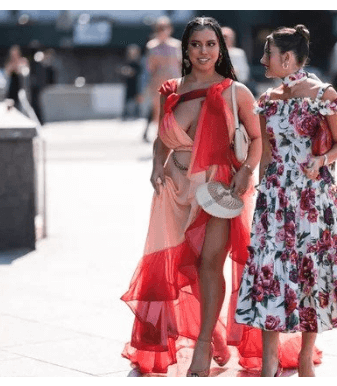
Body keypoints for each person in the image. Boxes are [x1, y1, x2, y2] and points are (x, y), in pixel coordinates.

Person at [121, 16, 263, 377]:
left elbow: (257, 138)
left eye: (210, 44)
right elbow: (160, 138)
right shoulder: (170, 89)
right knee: (184, 266)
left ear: (221, 48)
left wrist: (247, 171)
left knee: (209, 265)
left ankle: (201, 347)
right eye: (196, 44)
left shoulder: (236, 91)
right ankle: (213, 334)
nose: (203, 51)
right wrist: (156, 164)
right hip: (176, 187)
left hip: (219, 188)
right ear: (186, 48)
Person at [234, 24, 337, 377]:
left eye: (268, 54)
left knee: (311, 273)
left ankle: (304, 357)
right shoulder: (267, 100)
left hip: (314, 199)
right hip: (275, 201)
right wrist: (259, 187)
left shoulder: (324, 95)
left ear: (285, 57)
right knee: (271, 274)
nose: (263, 60)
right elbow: (266, 154)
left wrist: (320, 160)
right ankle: (269, 362)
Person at [142, 16, 182, 140]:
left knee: (176, 109)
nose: (162, 31)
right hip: (158, 83)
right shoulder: (152, 46)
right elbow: (149, 67)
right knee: (159, 110)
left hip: (175, 82)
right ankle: (161, 136)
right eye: (160, 28)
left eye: (165, 28)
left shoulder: (176, 45)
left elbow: (181, 64)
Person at [120, 44, 142, 120]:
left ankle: (137, 113)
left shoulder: (138, 61)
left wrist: (132, 72)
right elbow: (123, 70)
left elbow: (139, 71)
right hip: (128, 83)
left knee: (136, 98)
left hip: (136, 83)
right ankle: (125, 113)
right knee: (127, 99)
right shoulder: (126, 61)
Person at [4, 45, 29, 111]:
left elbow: (25, 71)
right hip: (12, 87)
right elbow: (7, 73)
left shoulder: (23, 61)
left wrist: (18, 67)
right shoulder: (10, 63)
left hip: (21, 85)